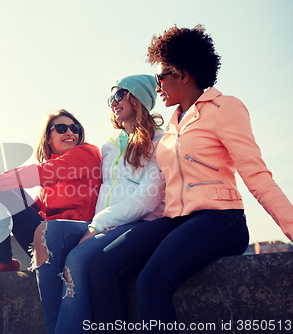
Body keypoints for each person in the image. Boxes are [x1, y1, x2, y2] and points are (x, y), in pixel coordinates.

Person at [89, 25, 293, 333]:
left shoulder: (225, 108)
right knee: (102, 266)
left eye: (161, 76)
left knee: (151, 282)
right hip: (176, 220)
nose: (157, 85)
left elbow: (257, 176)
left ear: (183, 74)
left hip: (221, 219)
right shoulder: (171, 126)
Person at [33, 75, 166, 334]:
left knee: (77, 258)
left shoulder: (159, 141)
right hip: (100, 224)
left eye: (119, 96)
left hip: (137, 223)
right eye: (111, 98)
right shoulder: (110, 145)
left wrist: (98, 225)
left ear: (137, 97)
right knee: (46, 232)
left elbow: (147, 198)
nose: (113, 103)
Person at [0, 109, 102, 273]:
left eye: (74, 128)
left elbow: (44, 173)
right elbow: (38, 207)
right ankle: (2, 261)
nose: (69, 132)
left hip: (71, 238)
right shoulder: (56, 172)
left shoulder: (86, 153)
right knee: (5, 191)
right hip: (48, 235)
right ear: (48, 138)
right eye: (62, 128)